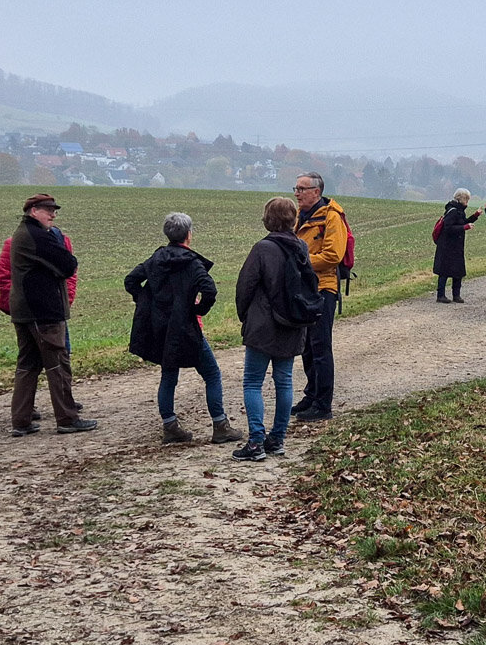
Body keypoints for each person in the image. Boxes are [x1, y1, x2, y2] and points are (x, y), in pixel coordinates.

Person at [125, 212, 240, 446]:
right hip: (186, 329)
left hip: (161, 329)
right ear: (189, 234)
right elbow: (210, 291)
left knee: (168, 376)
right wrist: (198, 310)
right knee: (212, 374)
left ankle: (170, 426)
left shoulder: (155, 259)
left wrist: (147, 301)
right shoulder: (192, 263)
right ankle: (220, 426)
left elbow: (130, 280)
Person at [9, 193, 97, 436]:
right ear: (33, 210)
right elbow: (68, 264)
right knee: (58, 363)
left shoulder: (21, 234)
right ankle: (67, 418)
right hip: (43, 312)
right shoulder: (38, 236)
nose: (53, 215)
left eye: (54, 210)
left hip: (24, 311)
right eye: (48, 210)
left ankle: (21, 421)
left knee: (27, 365)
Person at [233, 196, 308, 461]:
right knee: (284, 381)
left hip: (263, 325)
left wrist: (245, 316)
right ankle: (277, 439)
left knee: (253, 381)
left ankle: (255, 442)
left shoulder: (262, 249)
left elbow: (245, 286)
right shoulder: (302, 247)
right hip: (292, 323)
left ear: (267, 219)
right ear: (293, 219)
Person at [291, 173, 346, 424]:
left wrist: (299, 264)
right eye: (296, 189)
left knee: (321, 347)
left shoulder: (331, 217)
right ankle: (311, 395)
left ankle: (323, 404)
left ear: (317, 191)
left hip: (323, 289)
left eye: (302, 189)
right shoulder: (300, 217)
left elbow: (333, 255)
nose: (297, 193)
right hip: (304, 289)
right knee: (306, 347)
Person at [433, 188, 476, 300]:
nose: (468, 201)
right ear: (463, 199)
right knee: (444, 271)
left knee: (458, 271)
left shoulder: (459, 210)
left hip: (456, 246)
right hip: (447, 246)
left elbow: (463, 222)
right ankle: (441, 295)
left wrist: (475, 216)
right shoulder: (453, 211)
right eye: (467, 199)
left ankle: (456, 295)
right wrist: (464, 227)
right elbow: (448, 228)